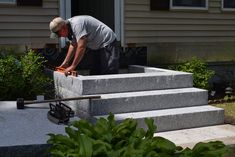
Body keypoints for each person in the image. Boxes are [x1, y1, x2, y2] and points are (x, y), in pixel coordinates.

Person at [49, 15, 120, 75]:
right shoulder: (69, 28)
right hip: (95, 45)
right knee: (95, 71)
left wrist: (73, 66)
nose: (59, 36)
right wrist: (65, 63)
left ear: (63, 28)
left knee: (109, 71)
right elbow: (73, 45)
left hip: (107, 41)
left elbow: (81, 47)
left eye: (58, 34)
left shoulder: (77, 25)